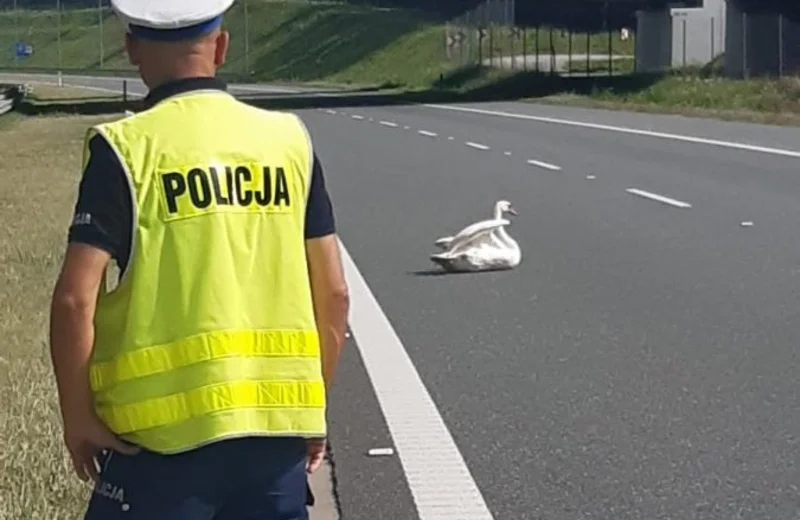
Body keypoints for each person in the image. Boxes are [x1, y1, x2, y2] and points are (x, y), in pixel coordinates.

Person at [47, 0, 350, 518]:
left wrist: (78, 415)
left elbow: (76, 300)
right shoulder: (288, 142)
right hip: (272, 442)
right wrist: (311, 407)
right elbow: (335, 294)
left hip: (157, 449)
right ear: (222, 45)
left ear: (131, 50)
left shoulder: (126, 149)